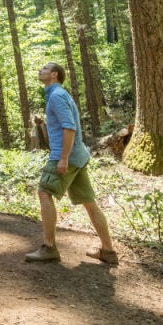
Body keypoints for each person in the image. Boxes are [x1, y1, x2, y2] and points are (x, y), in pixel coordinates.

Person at [24, 62, 119, 265]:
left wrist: (63, 157)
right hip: (78, 155)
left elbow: (69, 127)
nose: (40, 71)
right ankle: (108, 251)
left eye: (44, 69)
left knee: (44, 191)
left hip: (66, 155)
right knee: (89, 201)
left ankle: (49, 248)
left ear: (54, 75)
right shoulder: (57, 94)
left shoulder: (57, 96)